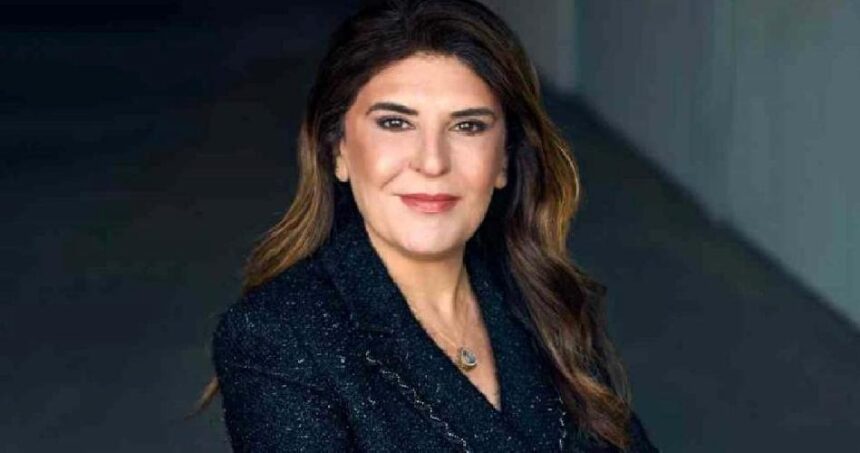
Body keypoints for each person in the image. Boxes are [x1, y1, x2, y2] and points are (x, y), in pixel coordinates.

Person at [196, 0, 659, 451]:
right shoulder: (277, 336)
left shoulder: (542, 298)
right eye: (396, 123)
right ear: (338, 149)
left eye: (467, 126)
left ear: (503, 160)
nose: (432, 162)